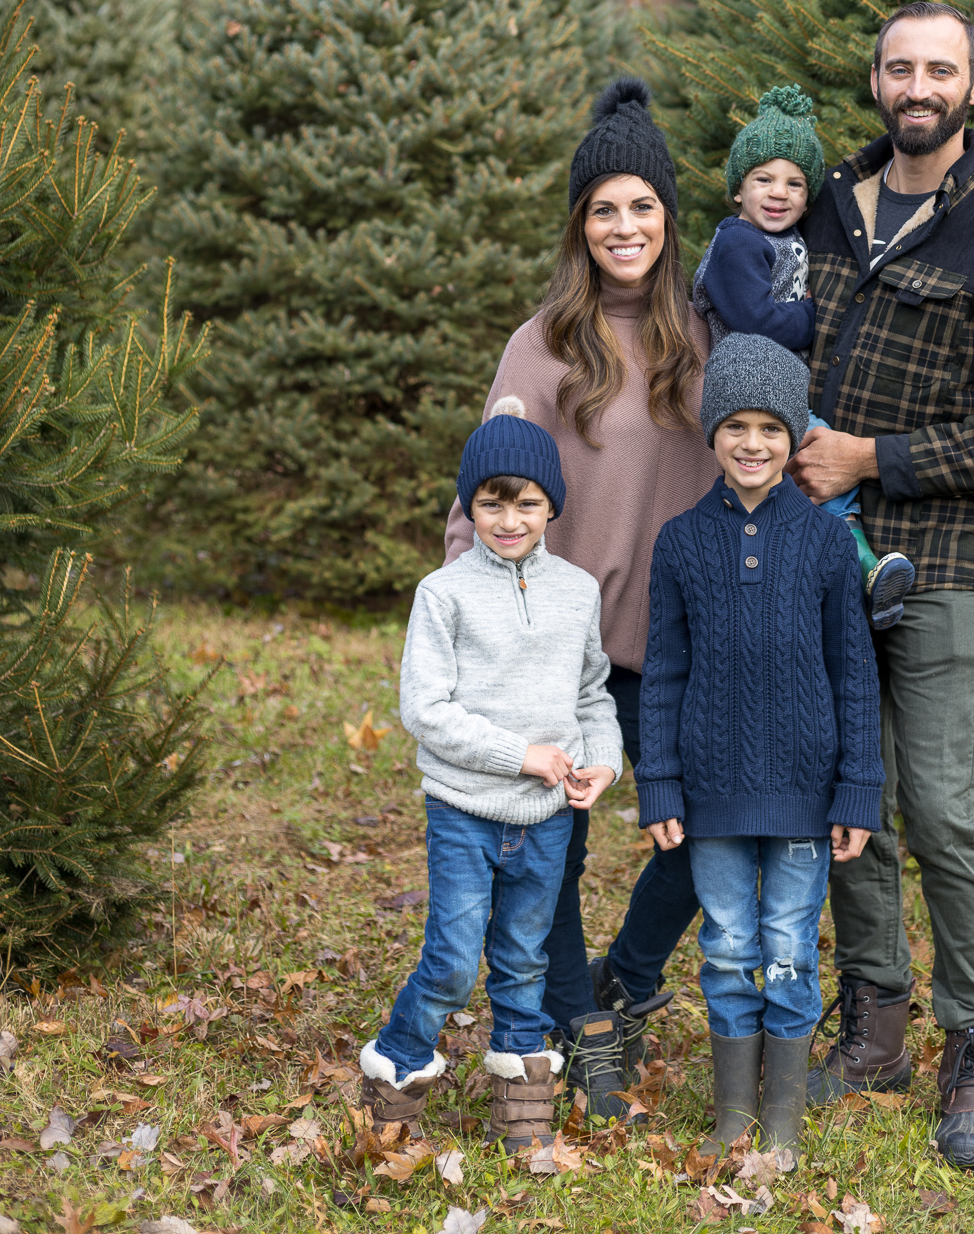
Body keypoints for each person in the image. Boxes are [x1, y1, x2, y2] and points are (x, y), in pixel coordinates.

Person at [791, 1, 974, 1173]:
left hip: (944, 561)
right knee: (844, 784)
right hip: (818, 549)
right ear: (875, 80)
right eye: (901, 66)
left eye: (941, 69)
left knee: (943, 799)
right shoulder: (816, 209)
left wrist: (876, 458)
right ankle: (874, 1020)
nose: (919, 85)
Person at [443, 77, 715, 1119]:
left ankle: (629, 976)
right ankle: (577, 1015)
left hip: (681, 649)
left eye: (642, 204)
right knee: (548, 849)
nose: (624, 224)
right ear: (579, 225)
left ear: (668, 218)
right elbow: (484, 493)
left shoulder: (708, 336)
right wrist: (479, 622)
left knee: (715, 828)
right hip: (563, 650)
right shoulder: (542, 344)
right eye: (604, 207)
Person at [636, 333, 882, 1165]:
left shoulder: (820, 542)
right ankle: (734, 1112)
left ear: (793, 437)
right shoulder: (679, 542)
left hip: (804, 792)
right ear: (711, 434)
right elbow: (664, 674)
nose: (751, 443)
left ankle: (782, 1116)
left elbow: (853, 673)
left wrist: (856, 792)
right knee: (728, 944)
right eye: (734, 425)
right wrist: (659, 783)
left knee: (787, 945)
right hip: (709, 794)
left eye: (770, 428)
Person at [361, 404, 622, 1149]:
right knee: (449, 959)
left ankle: (522, 1103)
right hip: (466, 809)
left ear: (551, 508)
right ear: (469, 505)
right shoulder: (443, 594)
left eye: (527, 503)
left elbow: (591, 692)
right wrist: (519, 755)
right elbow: (426, 709)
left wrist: (601, 759)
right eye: (491, 503)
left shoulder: (575, 590)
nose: (509, 520)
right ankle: (399, 1068)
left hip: (546, 815)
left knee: (522, 959)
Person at [692, 83, 915, 631]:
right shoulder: (737, 242)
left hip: (775, 382)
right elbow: (755, 318)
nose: (778, 193)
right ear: (737, 189)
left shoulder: (788, 239)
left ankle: (854, 567)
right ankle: (860, 567)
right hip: (747, 381)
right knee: (817, 454)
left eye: (795, 183)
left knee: (816, 466)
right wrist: (818, 318)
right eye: (763, 179)